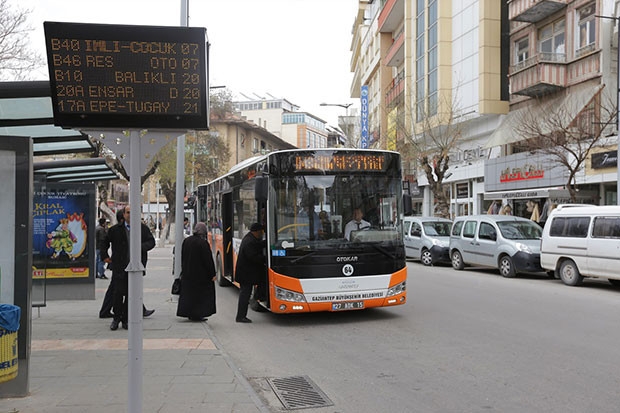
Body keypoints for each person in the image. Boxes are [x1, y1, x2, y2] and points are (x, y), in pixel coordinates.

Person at [101, 205, 156, 330]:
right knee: (117, 294)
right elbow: (104, 242)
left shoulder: (142, 229)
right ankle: (116, 318)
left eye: (133, 212)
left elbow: (151, 242)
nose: (130, 215)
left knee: (131, 294)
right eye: (128, 212)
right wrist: (104, 256)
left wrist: (140, 247)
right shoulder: (115, 230)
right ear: (124, 214)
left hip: (136, 267)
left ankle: (125, 319)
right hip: (119, 267)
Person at [176, 222, 217, 321]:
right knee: (199, 297)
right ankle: (197, 315)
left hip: (188, 273)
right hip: (200, 276)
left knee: (189, 296)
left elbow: (183, 257)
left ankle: (189, 313)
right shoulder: (203, 243)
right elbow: (208, 260)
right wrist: (212, 274)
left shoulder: (187, 241)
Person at [234, 222, 266, 323]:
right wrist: (266, 259)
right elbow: (253, 257)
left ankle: (257, 298)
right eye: (261, 232)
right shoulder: (249, 242)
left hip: (247, 274)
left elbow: (258, 245)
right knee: (244, 296)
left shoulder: (250, 238)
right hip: (245, 275)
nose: (262, 234)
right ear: (256, 232)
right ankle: (240, 317)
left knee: (247, 294)